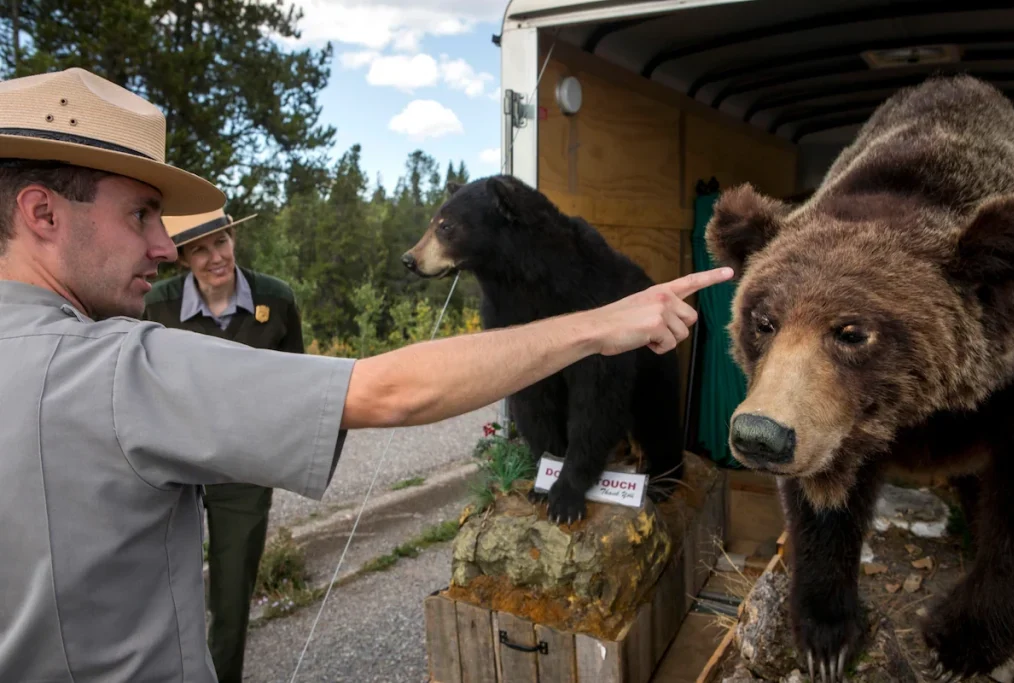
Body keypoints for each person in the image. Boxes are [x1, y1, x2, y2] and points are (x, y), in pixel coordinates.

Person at [0, 67, 733, 682]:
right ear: (42, 213)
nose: (167, 247)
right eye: (142, 215)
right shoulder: (117, 368)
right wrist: (602, 324)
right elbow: (384, 388)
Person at [141, 208, 304, 683]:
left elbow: (296, 380)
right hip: (173, 469)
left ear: (233, 237)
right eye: (199, 249)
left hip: (245, 471)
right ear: (182, 260)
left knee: (231, 598)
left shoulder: (276, 298)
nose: (216, 257)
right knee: (165, 591)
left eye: (222, 241)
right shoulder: (157, 305)